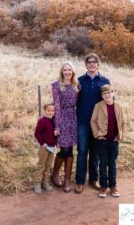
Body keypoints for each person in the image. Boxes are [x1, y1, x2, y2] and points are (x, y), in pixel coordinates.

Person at [75, 53, 110, 193]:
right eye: (89, 62)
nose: (92, 64)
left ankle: (93, 180)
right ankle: (79, 181)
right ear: (86, 64)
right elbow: (73, 100)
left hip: (98, 124)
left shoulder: (104, 80)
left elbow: (109, 101)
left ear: (98, 64)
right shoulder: (79, 81)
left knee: (95, 153)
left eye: (94, 62)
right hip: (82, 122)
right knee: (82, 152)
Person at [91, 84, 126, 198]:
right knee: (103, 163)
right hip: (102, 140)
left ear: (113, 93)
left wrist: (120, 136)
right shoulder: (98, 106)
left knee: (112, 164)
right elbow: (93, 121)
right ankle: (103, 187)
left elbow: (123, 123)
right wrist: (97, 134)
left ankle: (113, 186)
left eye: (109, 93)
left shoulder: (119, 107)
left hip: (114, 140)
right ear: (102, 95)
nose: (107, 95)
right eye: (104, 94)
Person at [51, 61, 79, 193]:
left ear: (73, 71)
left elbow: (79, 103)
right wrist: (57, 125)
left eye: (69, 70)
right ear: (62, 72)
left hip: (73, 117)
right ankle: (55, 174)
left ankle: (67, 179)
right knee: (64, 149)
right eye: (65, 70)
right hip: (61, 117)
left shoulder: (77, 85)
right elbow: (56, 105)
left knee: (70, 150)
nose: (67, 72)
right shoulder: (56, 85)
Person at [34, 102, 57, 194]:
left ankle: (45, 183)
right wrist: (42, 143)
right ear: (45, 111)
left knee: (48, 166)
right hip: (44, 147)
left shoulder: (54, 121)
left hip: (52, 146)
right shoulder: (42, 120)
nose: (51, 112)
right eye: (48, 110)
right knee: (41, 166)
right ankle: (37, 184)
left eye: (53, 110)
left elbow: (53, 133)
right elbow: (37, 133)